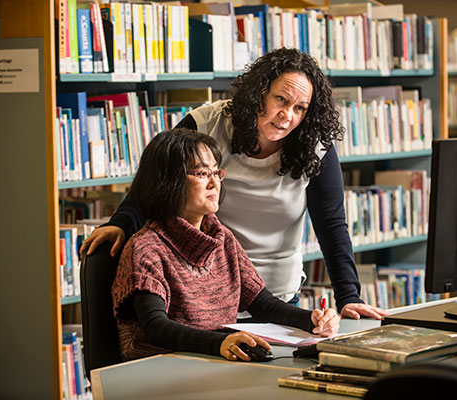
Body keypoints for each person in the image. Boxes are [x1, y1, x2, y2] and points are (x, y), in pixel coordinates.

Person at [83, 48, 388, 320]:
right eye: (280, 99)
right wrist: (122, 223)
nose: (287, 115)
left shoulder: (314, 144)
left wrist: (349, 297)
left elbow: (332, 224)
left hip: (277, 299)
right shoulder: (207, 124)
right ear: (259, 92)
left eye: (300, 108)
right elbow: (157, 178)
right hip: (208, 296)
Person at [112, 128, 339, 361]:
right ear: (167, 181)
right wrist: (220, 343)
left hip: (213, 361)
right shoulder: (147, 247)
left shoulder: (221, 238)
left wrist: (312, 319)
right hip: (161, 368)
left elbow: (263, 304)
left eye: (215, 172)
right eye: (201, 174)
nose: (214, 183)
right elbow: (156, 326)